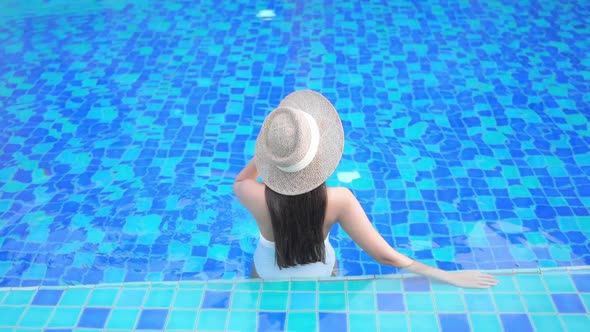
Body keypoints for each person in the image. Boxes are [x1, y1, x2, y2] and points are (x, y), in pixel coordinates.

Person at [233, 90, 498, 288]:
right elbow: (385, 256)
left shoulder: (252, 194)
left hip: (266, 275)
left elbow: (241, 179)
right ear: (320, 158)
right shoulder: (339, 201)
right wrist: (447, 276)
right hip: (322, 276)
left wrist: (274, 153)